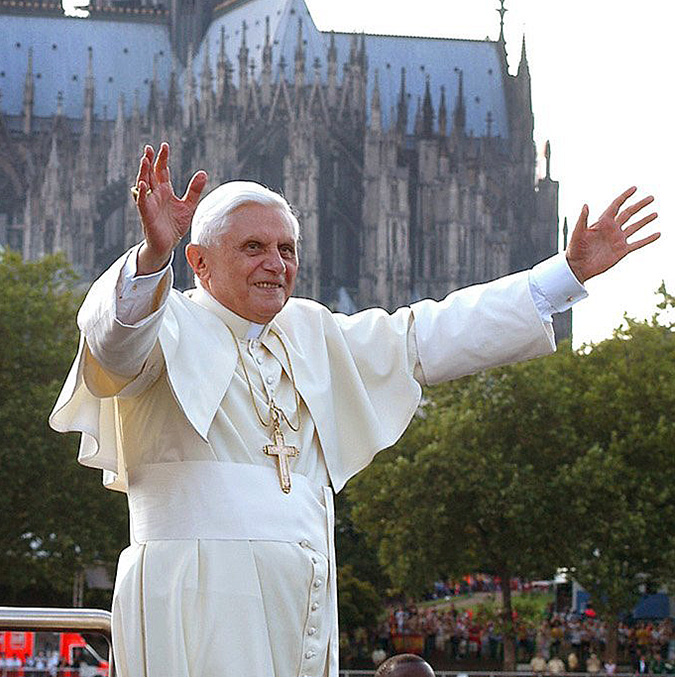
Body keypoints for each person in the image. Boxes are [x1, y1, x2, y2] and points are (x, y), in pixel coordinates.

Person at [50, 142, 660, 677]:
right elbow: (112, 341)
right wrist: (153, 255)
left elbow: (429, 336)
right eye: (254, 247)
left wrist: (566, 273)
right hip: (194, 596)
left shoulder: (313, 331)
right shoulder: (165, 323)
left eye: (287, 248)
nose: (276, 263)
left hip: (304, 597)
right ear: (200, 263)